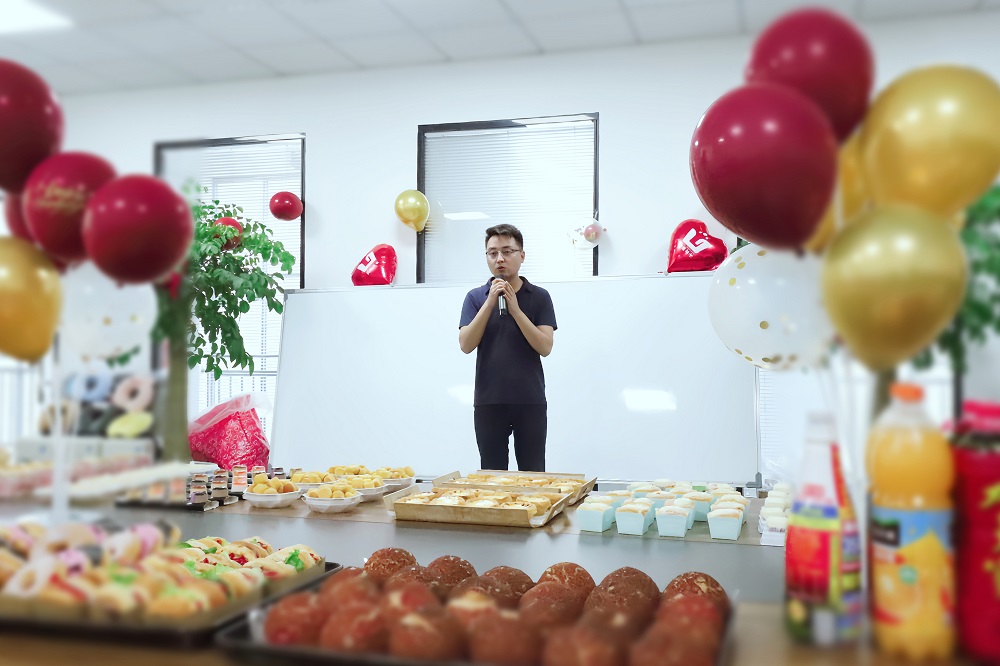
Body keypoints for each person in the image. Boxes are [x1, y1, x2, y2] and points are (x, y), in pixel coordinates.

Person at [458, 224, 557, 472]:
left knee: (533, 474)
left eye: (507, 251)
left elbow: (545, 347)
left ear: (522, 255)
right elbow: (466, 344)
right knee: (492, 475)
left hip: (529, 400)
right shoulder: (475, 297)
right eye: (492, 253)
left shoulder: (539, 296)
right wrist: (490, 302)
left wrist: (516, 310)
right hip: (489, 401)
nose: (499, 259)